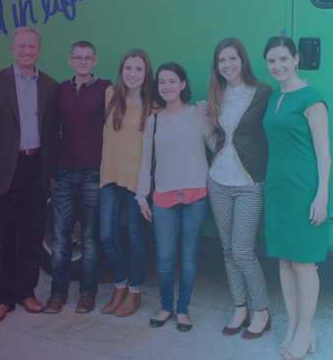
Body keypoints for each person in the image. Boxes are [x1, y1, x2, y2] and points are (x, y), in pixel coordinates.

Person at [99, 50, 208, 318]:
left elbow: (210, 141)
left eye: (138, 69)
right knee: (122, 243)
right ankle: (141, 296)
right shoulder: (126, 104)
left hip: (170, 189)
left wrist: (209, 115)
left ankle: (160, 301)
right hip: (136, 186)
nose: (132, 74)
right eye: (128, 68)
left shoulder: (177, 112)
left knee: (167, 249)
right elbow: (145, 160)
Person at [0, 26, 60, 322]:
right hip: (3, 171)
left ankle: (26, 292)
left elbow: (52, 134)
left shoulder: (50, 85)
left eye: (32, 46)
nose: (27, 51)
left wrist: (51, 172)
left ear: (39, 49)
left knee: (32, 234)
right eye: (21, 46)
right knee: (4, 235)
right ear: (12, 49)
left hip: (36, 168)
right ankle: (4, 297)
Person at [263, 36, 330, 360]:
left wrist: (322, 195)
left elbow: (324, 154)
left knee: (304, 263)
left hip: (303, 189)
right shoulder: (274, 97)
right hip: (276, 189)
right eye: (271, 61)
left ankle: (306, 329)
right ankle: (293, 326)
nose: (277, 66)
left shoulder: (311, 98)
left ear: (296, 58)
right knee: (284, 260)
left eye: (283, 59)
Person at [136, 62, 215, 332]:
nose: (166, 86)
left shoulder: (198, 114)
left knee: (189, 257)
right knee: (164, 258)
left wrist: (211, 115)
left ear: (183, 84)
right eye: (161, 82)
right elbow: (146, 163)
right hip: (163, 199)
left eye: (172, 81)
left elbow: (216, 146)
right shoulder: (154, 120)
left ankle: (183, 310)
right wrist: (141, 197)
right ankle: (166, 306)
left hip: (196, 197)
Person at [206, 38, 273, 339]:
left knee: (243, 250)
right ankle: (240, 307)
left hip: (249, 183)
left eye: (232, 59)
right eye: (222, 61)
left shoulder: (263, 93)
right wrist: (201, 124)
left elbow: (276, 129)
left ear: (242, 61)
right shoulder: (216, 94)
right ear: (217, 66)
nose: (227, 65)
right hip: (218, 180)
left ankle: (262, 311)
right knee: (228, 250)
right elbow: (216, 141)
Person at [44, 41, 112, 315]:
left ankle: (87, 294)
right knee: (60, 240)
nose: (83, 62)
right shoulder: (60, 89)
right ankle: (58, 294)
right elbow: (49, 127)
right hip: (62, 173)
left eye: (88, 58)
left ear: (95, 61)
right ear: (70, 60)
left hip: (92, 174)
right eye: (78, 58)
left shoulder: (106, 88)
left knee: (90, 239)